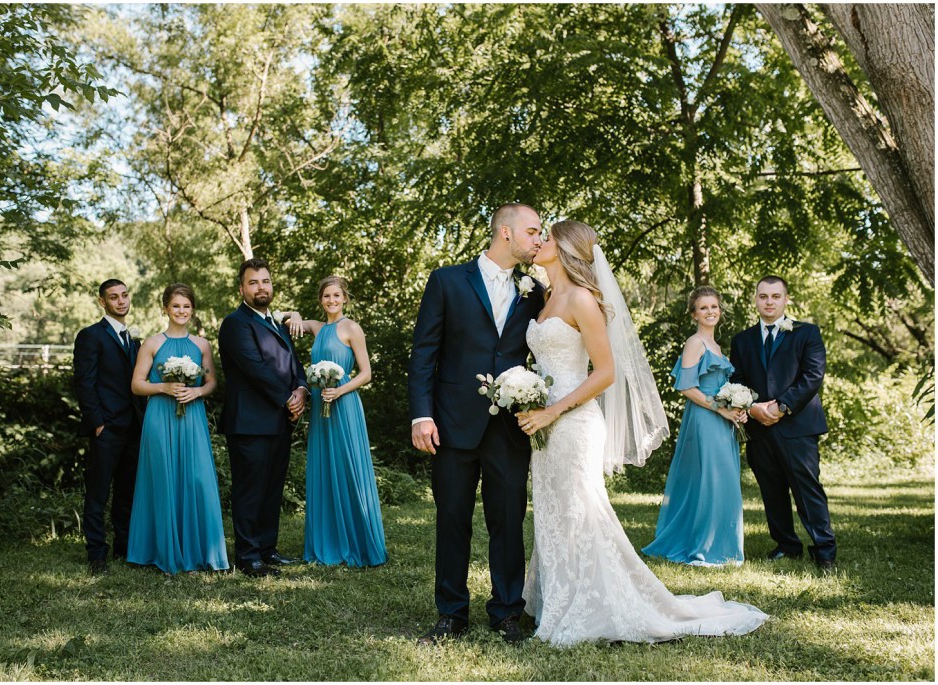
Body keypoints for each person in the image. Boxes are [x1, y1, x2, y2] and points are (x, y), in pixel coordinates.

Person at [516, 220, 767, 647]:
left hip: (574, 422)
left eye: (546, 237)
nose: (537, 242)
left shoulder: (581, 299)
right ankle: (557, 600)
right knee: (555, 513)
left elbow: (607, 373)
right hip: (544, 422)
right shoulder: (545, 296)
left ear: (564, 248)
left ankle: (594, 607)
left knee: (582, 512)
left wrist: (553, 409)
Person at [408, 203, 546, 644]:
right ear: (505, 233)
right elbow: (424, 352)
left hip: (510, 426)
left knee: (508, 519)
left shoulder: (535, 291)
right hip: (451, 422)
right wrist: (421, 413)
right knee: (452, 518)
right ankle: (451, 613)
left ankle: (507, 611)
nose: (538, 239)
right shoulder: (447, 280)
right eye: (532, 231)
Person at [729, 276, 835, 572]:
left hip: (798, 427)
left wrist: (781, 406)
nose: (769, 302)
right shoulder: (742, 340)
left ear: (786, 299)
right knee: (771, 490)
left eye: (776, 296)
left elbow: (812, 376)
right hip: (759, 427)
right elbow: (736, 380)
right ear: (756, 299)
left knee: (807, 489)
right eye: (763, 296)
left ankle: (824, 550)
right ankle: (787, 545)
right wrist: (753, 406)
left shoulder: (807, 333)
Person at [281, 275, 388, 567]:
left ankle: (359, 542)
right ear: (321, 300)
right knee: (325, 468)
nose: (331, 301)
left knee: (348, 467)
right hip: (320, 409)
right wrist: (297, 314)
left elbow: (366, 373)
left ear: (345, 299)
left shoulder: (351, 328)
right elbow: (284, 317)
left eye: (336, 296)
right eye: (326, 296)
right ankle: (328, 541)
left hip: (344, 405)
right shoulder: (318, 328)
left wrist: (340, 390)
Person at [126, 284, 229, 574]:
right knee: (163, 476)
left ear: (192, 309)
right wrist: (164, 387)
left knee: (196, 478)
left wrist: (197, 393)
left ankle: (200, 550)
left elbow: (210, 382)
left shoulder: (202, 345)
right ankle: (159, 549)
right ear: (165, 309)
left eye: (186, 306)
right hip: (160, 416)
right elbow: (137, 384)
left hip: (192, 416)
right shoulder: (152, 344)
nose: (181, 311)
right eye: (176, 306)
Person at [642, 286, 748, 567]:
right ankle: (704, 547)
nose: (710, 312)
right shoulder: (695, 343)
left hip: (722, 419)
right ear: (694, 314)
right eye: (703, 308)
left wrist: (737, 409)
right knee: (710, 481)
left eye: (714, 306)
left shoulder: (716, 346)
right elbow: (686, 387)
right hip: (705, 420)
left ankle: (723, 546)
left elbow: (722, 387)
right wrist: (720, 409)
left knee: (724, 481)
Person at [218, 258, 309, 578]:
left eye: (265, 281)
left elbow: (294, 362)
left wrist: (301, 388)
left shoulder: (275, 322)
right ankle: (248, 555)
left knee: (272, 487)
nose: (261, 287)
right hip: (249, 421)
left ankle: (268, 548)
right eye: (253, 282)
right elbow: (254, 368)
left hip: (279, 420)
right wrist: (287, 398)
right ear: (242, 288)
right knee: (250, 488)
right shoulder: (235, 323)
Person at [73, 279, 146, 575]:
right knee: (98, 492)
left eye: (124, 295)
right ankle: (97, 554)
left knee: (127, 491)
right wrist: (98, 423)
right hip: (107, 427)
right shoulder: (91, 336)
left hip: (133, 427)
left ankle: (124, 546)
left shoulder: (134, 339)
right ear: (102, 302)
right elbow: (84, 383)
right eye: (114, 297)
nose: (121, 301)